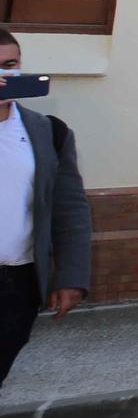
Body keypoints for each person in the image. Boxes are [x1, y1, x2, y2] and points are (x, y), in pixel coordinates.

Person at [0, 29, 91, 390]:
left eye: (10, 65)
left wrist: (70, 276)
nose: (3, 75)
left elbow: (70, 208)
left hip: (16, 282)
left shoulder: (47, 131)